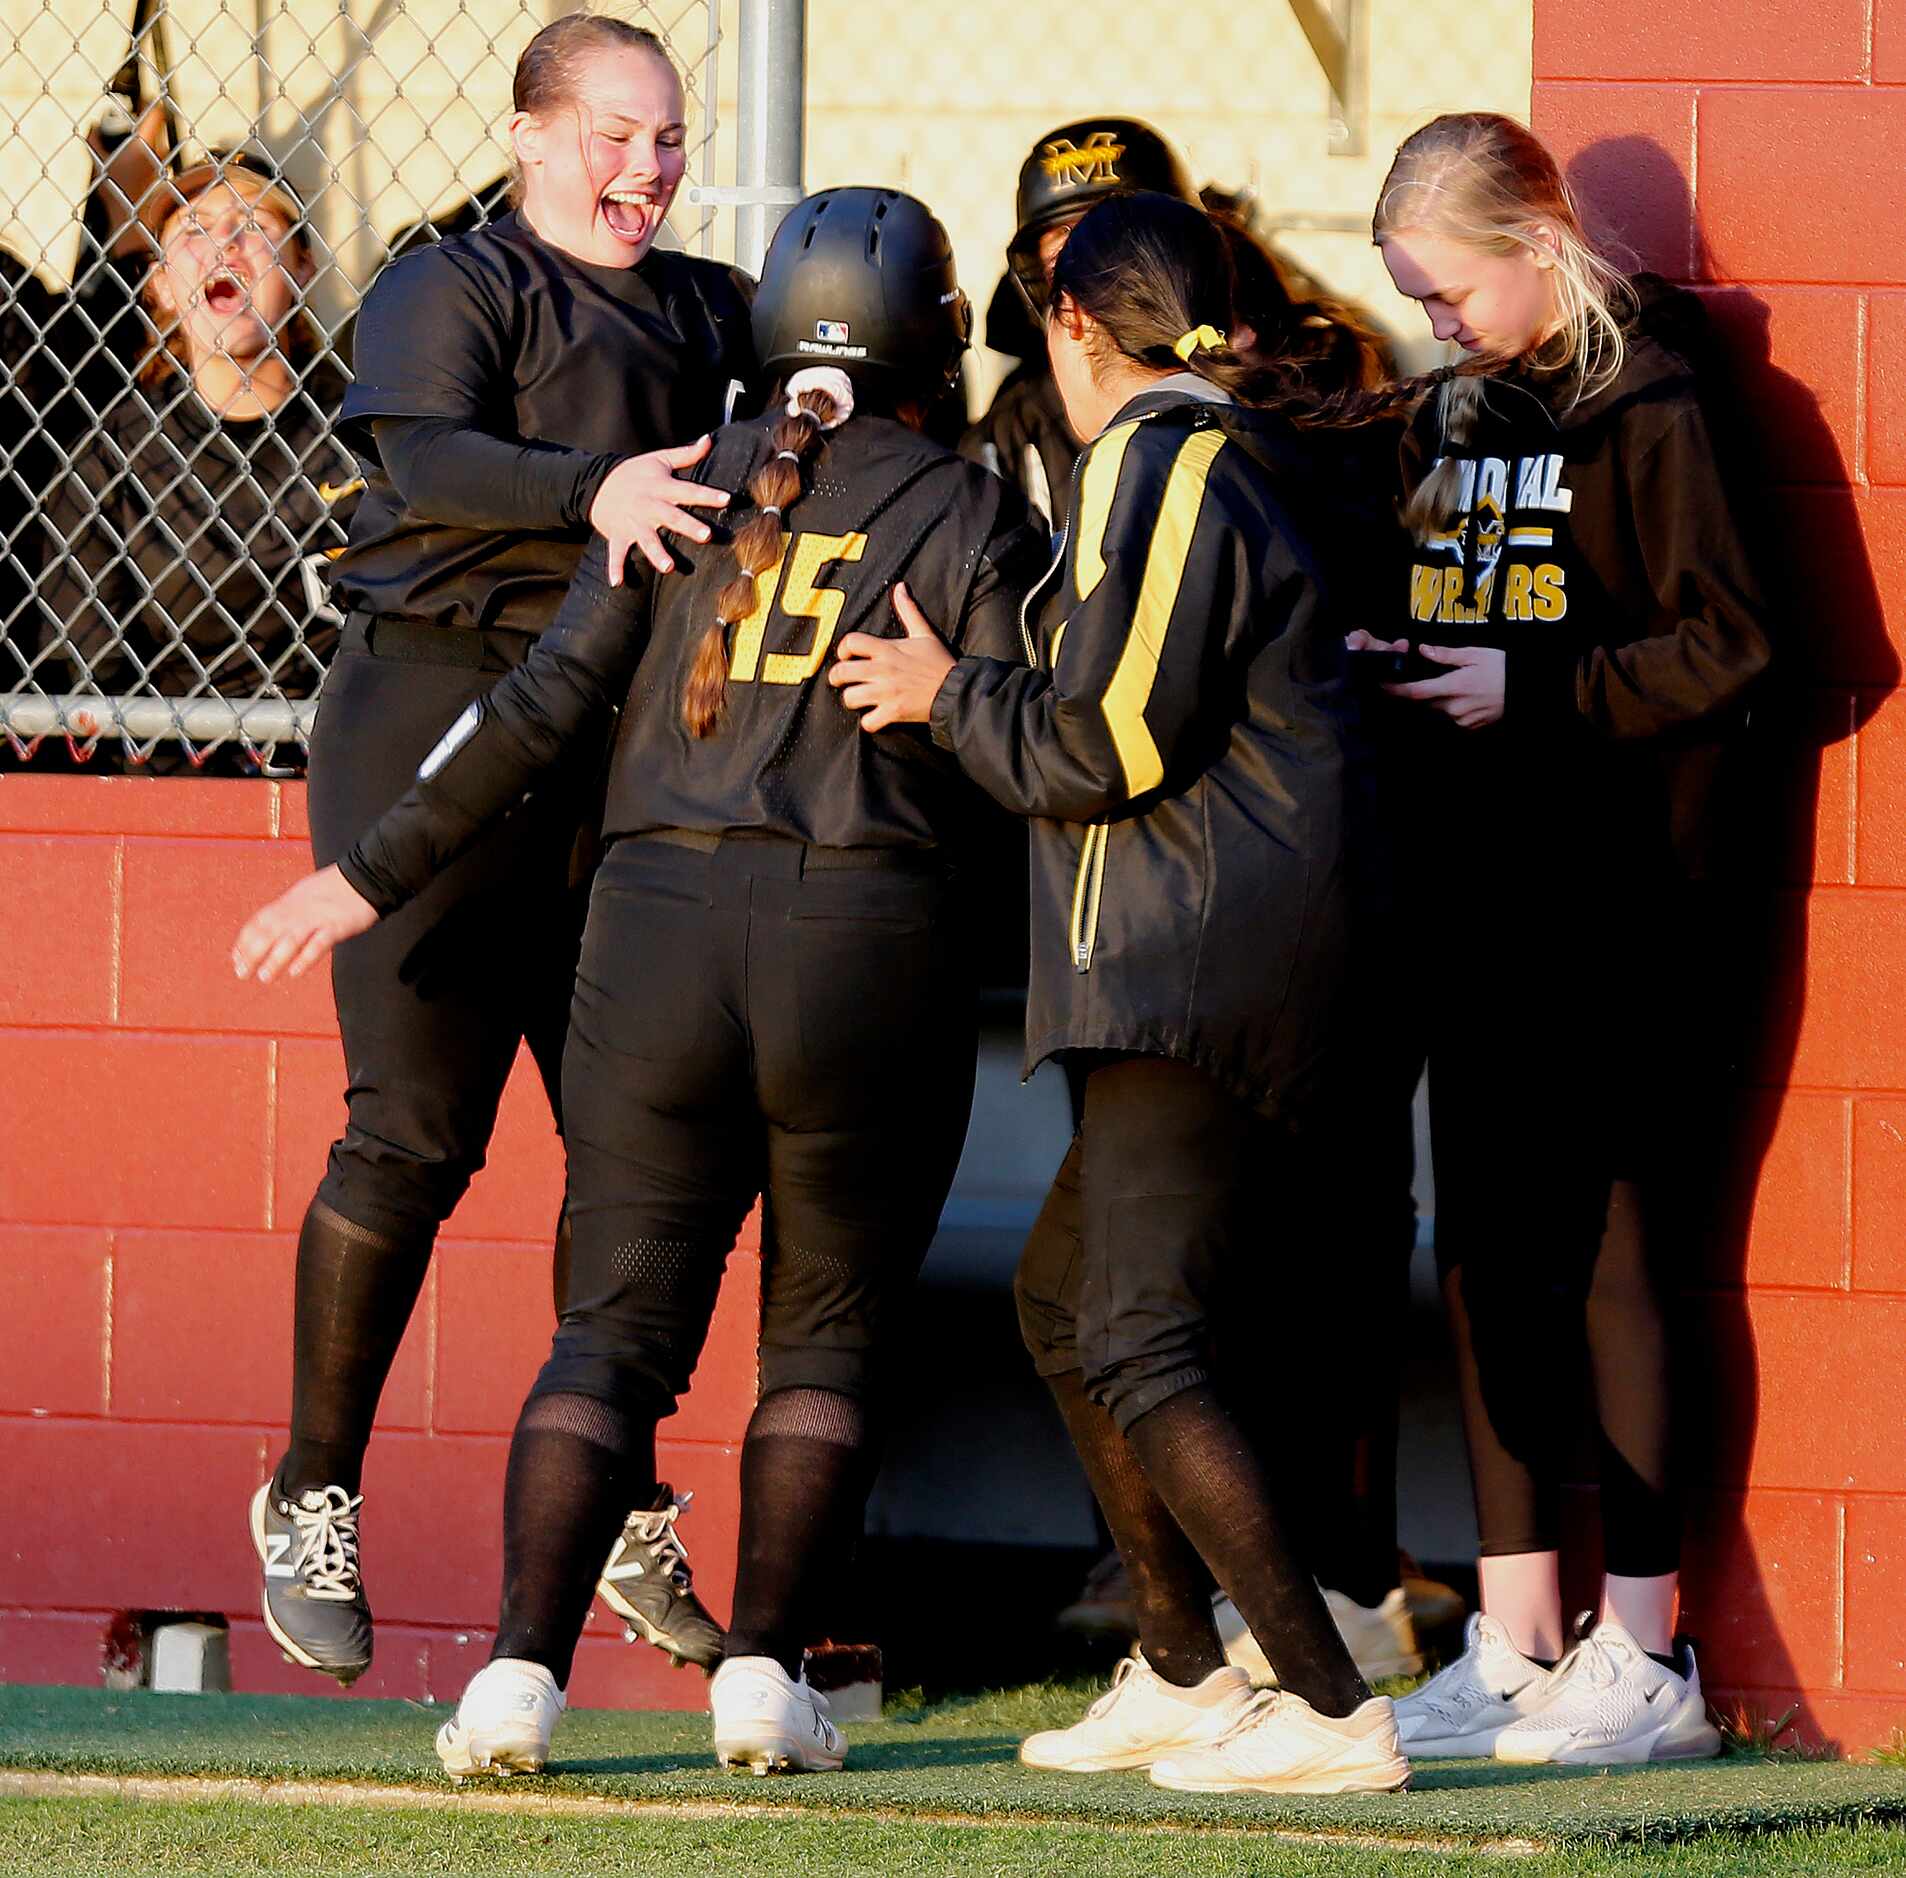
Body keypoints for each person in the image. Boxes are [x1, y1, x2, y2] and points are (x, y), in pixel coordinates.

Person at [233, 186, 1045, 1777]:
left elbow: (536, 711)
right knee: (818, 1342)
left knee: (607, 1332)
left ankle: (513, 1678)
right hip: (858, 934)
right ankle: (761, 1671)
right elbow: (1023, 754)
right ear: (934, 336)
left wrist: (363, 873)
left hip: (653, 929)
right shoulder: (971, 506)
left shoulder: (677, 482)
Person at [831, 190, 1410, 1797]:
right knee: (1060, 1301)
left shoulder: (1170, 456)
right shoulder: (1205, 456)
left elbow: (1110, 743)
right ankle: (1176, 1662)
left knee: (1143, 1334)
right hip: (1206, 954)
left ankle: (1321, 1695)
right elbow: (1109, 666)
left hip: (1196, 964)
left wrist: (945, 694)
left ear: (1076, 327)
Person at [246, 13, 751, 1691]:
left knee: (638, 1137)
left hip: (615, 740)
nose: (647, 169)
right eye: (615, 134)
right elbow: (427, 456)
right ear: (533, 136)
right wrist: (591, 488)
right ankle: (312, 1481)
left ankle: (615, 1486)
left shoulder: (700, 307)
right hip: (436, 709)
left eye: (669, 138)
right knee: (413, 1134)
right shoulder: (447, 281)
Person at [1352, 112, 1770, 1766]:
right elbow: (1470, 602)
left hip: (1624, 903)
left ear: (1538, 239)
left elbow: (1735, 643)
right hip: (1482, 893)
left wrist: (1532, 691)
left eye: (1450, 290)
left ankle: (1646, 1650)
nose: (1436, 321)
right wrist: (1404, 648)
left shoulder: (1654, 397)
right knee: (1481, 1249)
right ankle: (1517, 1634)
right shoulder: (1459, 408)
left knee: (1613, 1254)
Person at [30, 159, 352, 771]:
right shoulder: (112, 456)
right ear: (160, 285)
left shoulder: (369, 432)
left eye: (253, 223)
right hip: (183, 781)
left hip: (348, 766)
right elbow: (90, 671)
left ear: (302, 267)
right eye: (195, 229)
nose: (225, 244)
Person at [960, 116, 1196, 529]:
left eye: (1125, 254)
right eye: (1064, 263)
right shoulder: (1012, 440)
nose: (1096, 284)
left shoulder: (1254, 396)